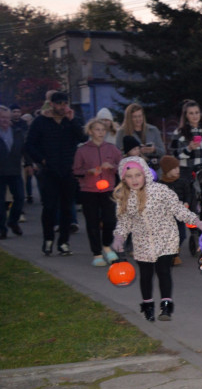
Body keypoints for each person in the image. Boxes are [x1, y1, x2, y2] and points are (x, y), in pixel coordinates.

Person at [112, 156, 202, 322]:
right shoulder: (124, 198)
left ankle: (165, 307)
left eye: (138, 175)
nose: (134, 180)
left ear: (145, 174)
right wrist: (119, 238)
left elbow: (179, 210)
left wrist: (197, 222)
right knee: (146, 274)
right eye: (129, 176)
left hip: (166, 238)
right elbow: (124, 222)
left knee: (163, 271)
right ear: (123, 178)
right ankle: (148, 306)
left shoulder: (161, 191)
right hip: (142, 242)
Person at [24, 91, 86, 256]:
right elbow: (29, 145)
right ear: (51, 104)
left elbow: (82, 138)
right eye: (59, 104)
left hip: (68, 170)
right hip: (49, 171)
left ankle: (64, 242)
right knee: (49, 207)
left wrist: (73, 121)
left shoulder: (71, 121)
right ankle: (48, 238)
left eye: (64, 104)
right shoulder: (40, 122)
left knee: (67, 208)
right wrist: (42, 160)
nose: (62, 107)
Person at [72, 118, 121, 266]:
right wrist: (88, 171)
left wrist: (112, 166)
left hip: (108, 190)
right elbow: (76, 171)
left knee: (110, 220)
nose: (101, 133)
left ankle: (106, 245)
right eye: (98, 130)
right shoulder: (82, 150)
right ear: (91, 131)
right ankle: (97, 253)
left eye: (103, 130)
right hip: (89, 191)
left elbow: (122, 165)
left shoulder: (112, 149)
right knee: (92, 222)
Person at [168, 100, 202, 175]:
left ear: (200, 114)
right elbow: (173, 154)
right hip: (187, 174)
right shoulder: (179, 133)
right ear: (186, 115)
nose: (195, 116)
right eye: (191, 113)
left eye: (197, 112)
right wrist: (188, 149)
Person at [157, 155, 193, 266]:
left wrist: (187, 202)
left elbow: (188, 194)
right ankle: (170, 254)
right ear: (167, 170)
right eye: (175, 168)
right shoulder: (160, 184)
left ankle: (175, 250)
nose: (178, 170)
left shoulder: (182, 182)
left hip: (179, 213)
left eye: (178, 168)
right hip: (166, 216)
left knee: (182, 235)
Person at [0, 105, 28, 239]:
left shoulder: (17, 132)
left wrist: (29, 163)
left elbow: (25, 149)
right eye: (1, 117)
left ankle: (13, 221)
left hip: (14, 170)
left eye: (6, 117)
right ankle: (1, 228)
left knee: (20, 197)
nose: (4, 120)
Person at [115, 103, 165, 167]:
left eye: (140, 116)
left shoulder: (153, 130)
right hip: (133, 170)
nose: (138, 119)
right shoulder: (122, 133)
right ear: (129, 118)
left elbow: (163, 152)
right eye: (134, 117)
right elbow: (117, 156)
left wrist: (154, 150)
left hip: (154, 170)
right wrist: (133, 152)